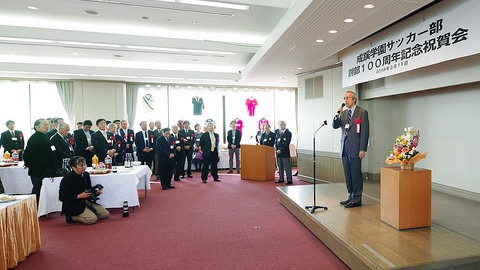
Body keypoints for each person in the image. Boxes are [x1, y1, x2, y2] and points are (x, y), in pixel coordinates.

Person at [333, 90, 369, 209]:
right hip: (344, 148)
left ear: (354, 99)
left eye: (348, 98)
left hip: (356, 148)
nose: (345, 100)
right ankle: (351, 194)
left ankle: (357, 198)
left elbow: (365, 132)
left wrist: (362, 149)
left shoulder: (362, 112)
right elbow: (335, 126)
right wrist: (337, 114)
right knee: (348, 174)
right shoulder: (343, 113)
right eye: (344, 98)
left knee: (355, 173)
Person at [59, 156, 109, 224]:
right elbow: (62, 197)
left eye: (85, 164)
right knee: (92, 219)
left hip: (87, 201)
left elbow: (88, 188)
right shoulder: (67, 179)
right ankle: (71, 217)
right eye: (81, 165)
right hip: (74, 204)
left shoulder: (86, 174)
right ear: (73, 168)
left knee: (105, 214)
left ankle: (88, 213)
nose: (84, 167)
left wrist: (96, 192)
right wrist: (79, 196)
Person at [23, 118, 57, 206]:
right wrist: (27, 163)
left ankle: (41, 208)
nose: (47, 126)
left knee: (42, 190)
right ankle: (33, 208)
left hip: (45, 169)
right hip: (38, 170)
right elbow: (28, 153)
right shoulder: (35, 138)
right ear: (37, 127)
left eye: (48, 124)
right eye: (45, 125)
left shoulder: (44, 136)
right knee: (37, 190)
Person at [275, 120, 292, 185]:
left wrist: (281, 150)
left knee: (287, 167)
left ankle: (289, 179)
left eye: (283, 124)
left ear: (285, 125)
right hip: (278, 153)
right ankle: (281, 178)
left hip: (285, 152)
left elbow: (287, 143)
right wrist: (277, 150)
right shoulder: (278, 133)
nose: (281, 126)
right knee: (280, 166)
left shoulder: (288, 133)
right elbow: (276, 142)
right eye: (280, 125)